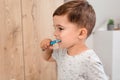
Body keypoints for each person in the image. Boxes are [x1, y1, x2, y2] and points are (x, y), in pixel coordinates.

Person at [40, 0, 108, 80]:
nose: (55, 33)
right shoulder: (62, 52)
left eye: (60, 28)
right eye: (55, 28)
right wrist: (47, 49)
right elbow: (47, 58)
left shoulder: (90, 61)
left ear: (81, 33)